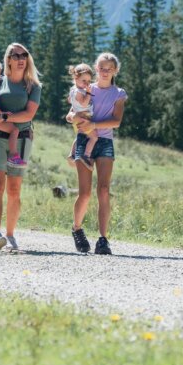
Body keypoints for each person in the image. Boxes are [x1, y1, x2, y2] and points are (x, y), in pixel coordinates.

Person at [0, 43, 41, 252]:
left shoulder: (33, 86)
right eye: (15, 55)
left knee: (14, 190)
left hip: (22, 139)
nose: (20, 58)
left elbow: (29, 114)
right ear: (8, 60)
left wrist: (4, 117)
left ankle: (11, 234)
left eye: (24, 54)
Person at [68, 52, 127, 255]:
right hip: (85, 140)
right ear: (96, 68)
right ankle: (77, 228)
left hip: (106, 142)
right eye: (101, 68)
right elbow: (71, 112)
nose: (104, 71)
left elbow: (116, 121)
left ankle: (103, 239)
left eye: (109, 68)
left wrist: (94, 124)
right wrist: (73, 117)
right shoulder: (87, 87)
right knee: (84, 193)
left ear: (115, 71)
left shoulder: (119, 93)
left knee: (103, 190)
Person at [65, 63, 99, 171]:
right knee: (94, 137)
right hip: (84, 118)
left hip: (78, 118)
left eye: (89, 81)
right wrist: (88, 94)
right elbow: (84, 104)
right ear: (76, 78)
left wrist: (74, 107)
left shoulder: (73, 90)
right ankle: (86, 156)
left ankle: (72, 154)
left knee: (80, 135)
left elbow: (69, 100)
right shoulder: (80, 92)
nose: (86, 84)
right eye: (84, 81)